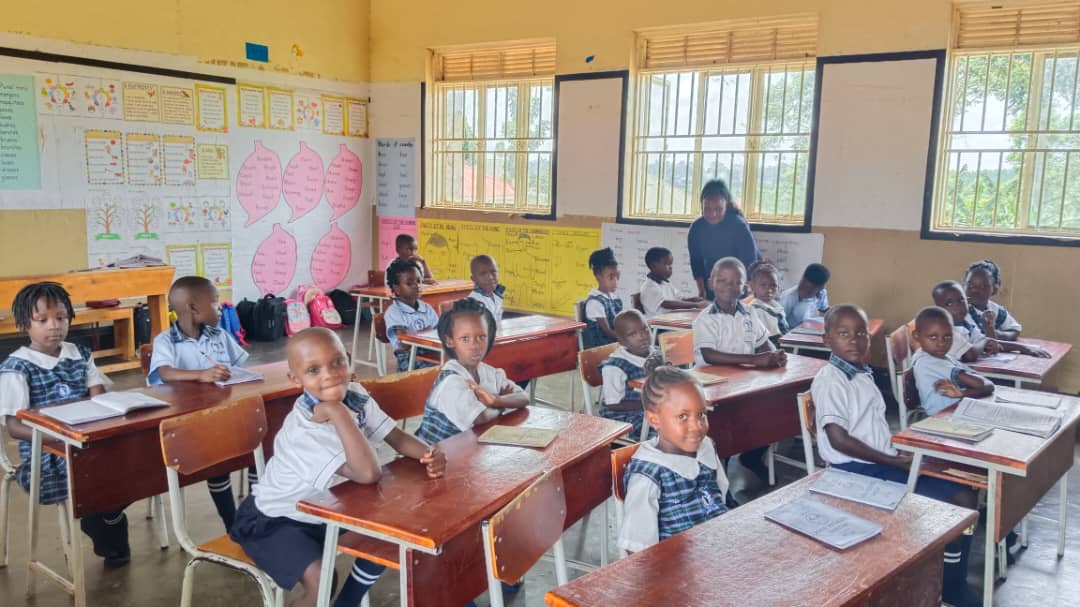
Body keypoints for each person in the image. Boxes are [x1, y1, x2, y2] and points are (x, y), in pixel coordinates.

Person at [230, 327, 446, 607]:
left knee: (394, 531)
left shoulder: (355, 394)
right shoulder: (304, 429)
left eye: (337, 362)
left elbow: (397, 437)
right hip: (275, 520)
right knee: (322, 581)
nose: (329, 374)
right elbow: (368, 474)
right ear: (295, 379)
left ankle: (348, 601)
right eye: (313, 370)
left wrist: (429, 455)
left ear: (348, 360)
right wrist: (337, 411)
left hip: (328, 510)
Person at [812, 304, 980, 607]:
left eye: (861, 333)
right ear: (827, 340)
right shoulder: (831, 379)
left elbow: (868, 429)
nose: (854, 340)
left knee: (964, 490)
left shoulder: (860, 373)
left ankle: (948, 580)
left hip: (877, 462)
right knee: (960, 500)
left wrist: (894, 447)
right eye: (844, 334)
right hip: (854, 472)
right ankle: (950, 587)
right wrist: (892, 460)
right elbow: (838, 439)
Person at [0, 282, 130, 566]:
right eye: (42, 320)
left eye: (61, 317)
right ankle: (108, 524)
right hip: (46, 452)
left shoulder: (79, 354)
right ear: (24, 324)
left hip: (86, 440)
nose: (54, 326)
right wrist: (61, 436)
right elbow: (15, 427)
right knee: (106, 472)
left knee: (138, 459)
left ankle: (105, 516)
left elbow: (98, 398)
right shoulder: (17, 367)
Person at [148, 276, 250, 531]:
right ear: (193, 308)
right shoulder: (165, 341)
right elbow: (164, 373)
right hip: (188, 421)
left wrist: (232, 374)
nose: (220, 308)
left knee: (260, 447)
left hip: (224, 412)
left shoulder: (220, 335)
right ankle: (232, 523)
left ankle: (256, 514)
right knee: (217, 464)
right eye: (214, 302)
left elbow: (240, 367)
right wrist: (201, 375)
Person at [618, 365, 728, 553]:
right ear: (654, 420)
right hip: (678, 563)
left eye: (701, 414)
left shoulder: (706, 446)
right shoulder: (648, 476)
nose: (697, 426)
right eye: (683, 416)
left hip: (719, 547)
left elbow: (722, 496)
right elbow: (638, 551)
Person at [692, 257, 783, 482]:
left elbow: (763, 343)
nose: (729, 286)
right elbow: (709, 355)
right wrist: (754, 360)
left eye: (736, 282)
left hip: (743, 383)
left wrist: (773, 355)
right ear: (711, 283)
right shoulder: (706, 319)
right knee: (722, 431)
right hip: (712, 388)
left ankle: (751, 456)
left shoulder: (749, 313)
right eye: (722, 280)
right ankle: (718, 476)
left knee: (772, 412)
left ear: (745, 287)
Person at [414, 298, 529, 444]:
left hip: (471, 449)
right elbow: (481, 417)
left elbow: (523, 397)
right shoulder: (451, 381)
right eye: (465, 339)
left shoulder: (491, 373)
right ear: (450, 341)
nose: (474, 345)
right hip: (435, 455)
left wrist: (495, 400)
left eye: (481, 337)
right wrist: (503, 405)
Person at [931, 280, 1047, 363]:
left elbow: (988, 342)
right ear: (938, 308)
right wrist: (985, 342)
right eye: (949, 303)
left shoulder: (967, 326)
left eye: (961, 300)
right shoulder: (944, 331)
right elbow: (970, 355)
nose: (958, 306)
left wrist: (1024, 348)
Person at [910, 306, 994, 415]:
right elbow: (981, 383)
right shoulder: (927, 362)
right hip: (943, 417)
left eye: (947, 337)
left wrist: (963, 393)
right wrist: (965, 393)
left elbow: (988, 385)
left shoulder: (945, 358)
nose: (941, 343)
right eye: (933, 337)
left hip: (954, 411)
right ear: (916, 336)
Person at [687, 179, 760, 300]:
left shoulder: (738, 226)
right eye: (707, 209)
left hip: (740, 282)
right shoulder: (696, 228)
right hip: (714, 280)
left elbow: (750, 262)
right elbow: (696, 262)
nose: (713, 214)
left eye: (718, 209)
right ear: (701, 205)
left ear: (727, 205)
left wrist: (744, 292)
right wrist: (702, 291)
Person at [599, 310, 662, 440]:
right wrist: (649, 404)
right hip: (624, 416)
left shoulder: (656, 353)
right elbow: (613, 405)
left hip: (651, 407)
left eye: (645, 329)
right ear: (621, 340)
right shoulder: (614, 367)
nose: (642, 337)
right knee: (665, 429)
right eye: (633, 334)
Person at [384, 259, 439, 372]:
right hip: (408, 359)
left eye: (418, 281)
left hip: (430, 352)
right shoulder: (394, 312)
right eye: (409, 283)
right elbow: (404, 344)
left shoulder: (427, 308)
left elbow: (440, 332)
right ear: (396, 288)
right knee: (441, 369)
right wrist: (426, 333)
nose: (416, 286)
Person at [638, 247, 708, 317]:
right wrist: (696, 305)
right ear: (654, 266)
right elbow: (666, 304)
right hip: (658, 322)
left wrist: (694, 300)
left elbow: (679, 300)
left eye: (671, 264)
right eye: (667, 264)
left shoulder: (666, 283)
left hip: (670, 319)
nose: (671, 267)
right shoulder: (649, 287)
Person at [964, 259, 1021, 340]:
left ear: (994, 289)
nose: (975, 291)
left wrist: (999, 335)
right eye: (970, 286)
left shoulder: (997, 311)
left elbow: (1015, 330)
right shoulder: (961, 311)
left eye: (982, 287)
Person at [582, 247, 623, 348]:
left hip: (614, 344)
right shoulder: (595, 303)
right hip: (601, 348)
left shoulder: (613, 298)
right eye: (611, 277)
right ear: (598, 276)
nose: (615, 281)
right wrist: (626, 339)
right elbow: (607, 332)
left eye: (617, 276)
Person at [743, 260, 788, 344]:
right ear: (752, 286)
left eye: (773, 285)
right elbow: (773, 338)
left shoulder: (775, 306)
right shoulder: (756, 310)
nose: (769, 290)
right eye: (763, 285)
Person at [468, 254, 505, 323]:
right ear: (473, 279)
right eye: (483, 274)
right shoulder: (473, 300)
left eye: (493, 271)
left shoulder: (497, 295)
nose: (490, 277)